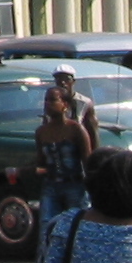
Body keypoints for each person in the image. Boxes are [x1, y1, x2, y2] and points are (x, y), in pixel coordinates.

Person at [34, 84, 91, 238]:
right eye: (46, 100)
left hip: (75, 185)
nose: (48, 104)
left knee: (77, 226)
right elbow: (40, 163)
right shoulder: (41, 132)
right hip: (51, 185)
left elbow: (87, 160)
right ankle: (46, 259)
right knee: (47, 225)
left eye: (53, 100)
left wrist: (90, 186)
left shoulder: (75, 129)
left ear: (65, 104)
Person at [51, 64, 99, 152]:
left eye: (66, 79)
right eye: (59, 79)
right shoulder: (52, 101)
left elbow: (93, 131)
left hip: (79, 146)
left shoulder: (84, 102)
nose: (62, 82)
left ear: (73, 81)